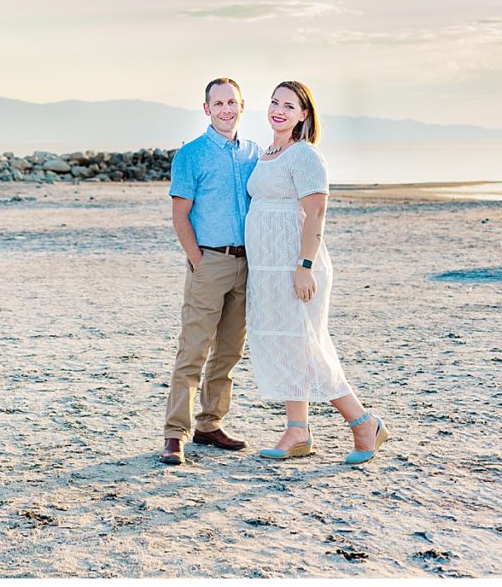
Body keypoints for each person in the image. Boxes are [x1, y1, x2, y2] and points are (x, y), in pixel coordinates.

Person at [244, 80, 389, 465]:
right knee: (289, 343)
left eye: (289, 106)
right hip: (267, 270)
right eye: (274, 102)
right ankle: (298, 430)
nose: (278, 110)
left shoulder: (305, 156)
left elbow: (316, 213)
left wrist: (304, 266)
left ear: (304, 114)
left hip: (298, 267)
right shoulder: (266, 154)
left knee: (309, 346)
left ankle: (363, 422)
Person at [160, 78, 262, 465]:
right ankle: (175, 433)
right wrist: (197, 260)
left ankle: (210, 423)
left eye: (232, 102)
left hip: (247, 264)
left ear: (241, 105)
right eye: (218, 103)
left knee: (230, 351)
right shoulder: (192, 155)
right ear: (206, 109)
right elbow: (180, 214)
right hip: (210, 262)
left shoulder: (255, 153)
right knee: (194, 349)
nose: (226, 109)